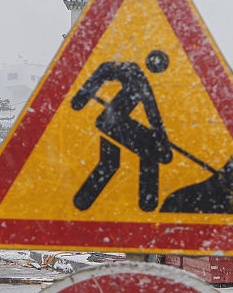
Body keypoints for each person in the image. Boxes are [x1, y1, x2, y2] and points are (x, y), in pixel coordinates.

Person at [70, 50, 172, 212]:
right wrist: (81, 98)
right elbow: (103, 70)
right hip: (108, 122)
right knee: (143, 150)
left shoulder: (140, 80)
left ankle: (147, 202)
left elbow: (151, 110)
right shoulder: (134, 72)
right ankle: (147, 202)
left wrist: (162, 141)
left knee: (123, 156)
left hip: (111, 122)